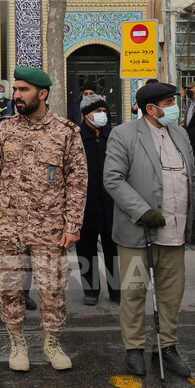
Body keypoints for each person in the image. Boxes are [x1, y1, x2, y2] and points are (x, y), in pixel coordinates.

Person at [0, 66, 87, 372]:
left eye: (23, 90)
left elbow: (77, 183)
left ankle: (52, 345)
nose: (16, 96)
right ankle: (17, 345)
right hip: (8, 227)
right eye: (15, 90)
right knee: (10, 289)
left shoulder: (65, 132)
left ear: (42, 94)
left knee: (52, 290)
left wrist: (72, 226)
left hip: (50, 229)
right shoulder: (4, 130)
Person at [103, 82, 195, 378]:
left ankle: (166, 347)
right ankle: (134, 348)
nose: (175, 106)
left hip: (174, 232)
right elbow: (113, 179)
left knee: (171, 295)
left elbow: (193, 179)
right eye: (169, 102)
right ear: (151, 109)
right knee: (135, 292)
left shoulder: (180, 134)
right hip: (138, 235)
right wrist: (143, 211)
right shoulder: (123, 135)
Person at [76, 93, 120, 306]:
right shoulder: (75, 137)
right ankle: (91, 290)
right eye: (97, 111)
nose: (102, 115)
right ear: (86, 115)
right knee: (86, 250)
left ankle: (116, 289)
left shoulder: (114, 135)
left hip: (111, 203)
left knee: (114, 250)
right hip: (85, 204)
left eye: (104, 111)